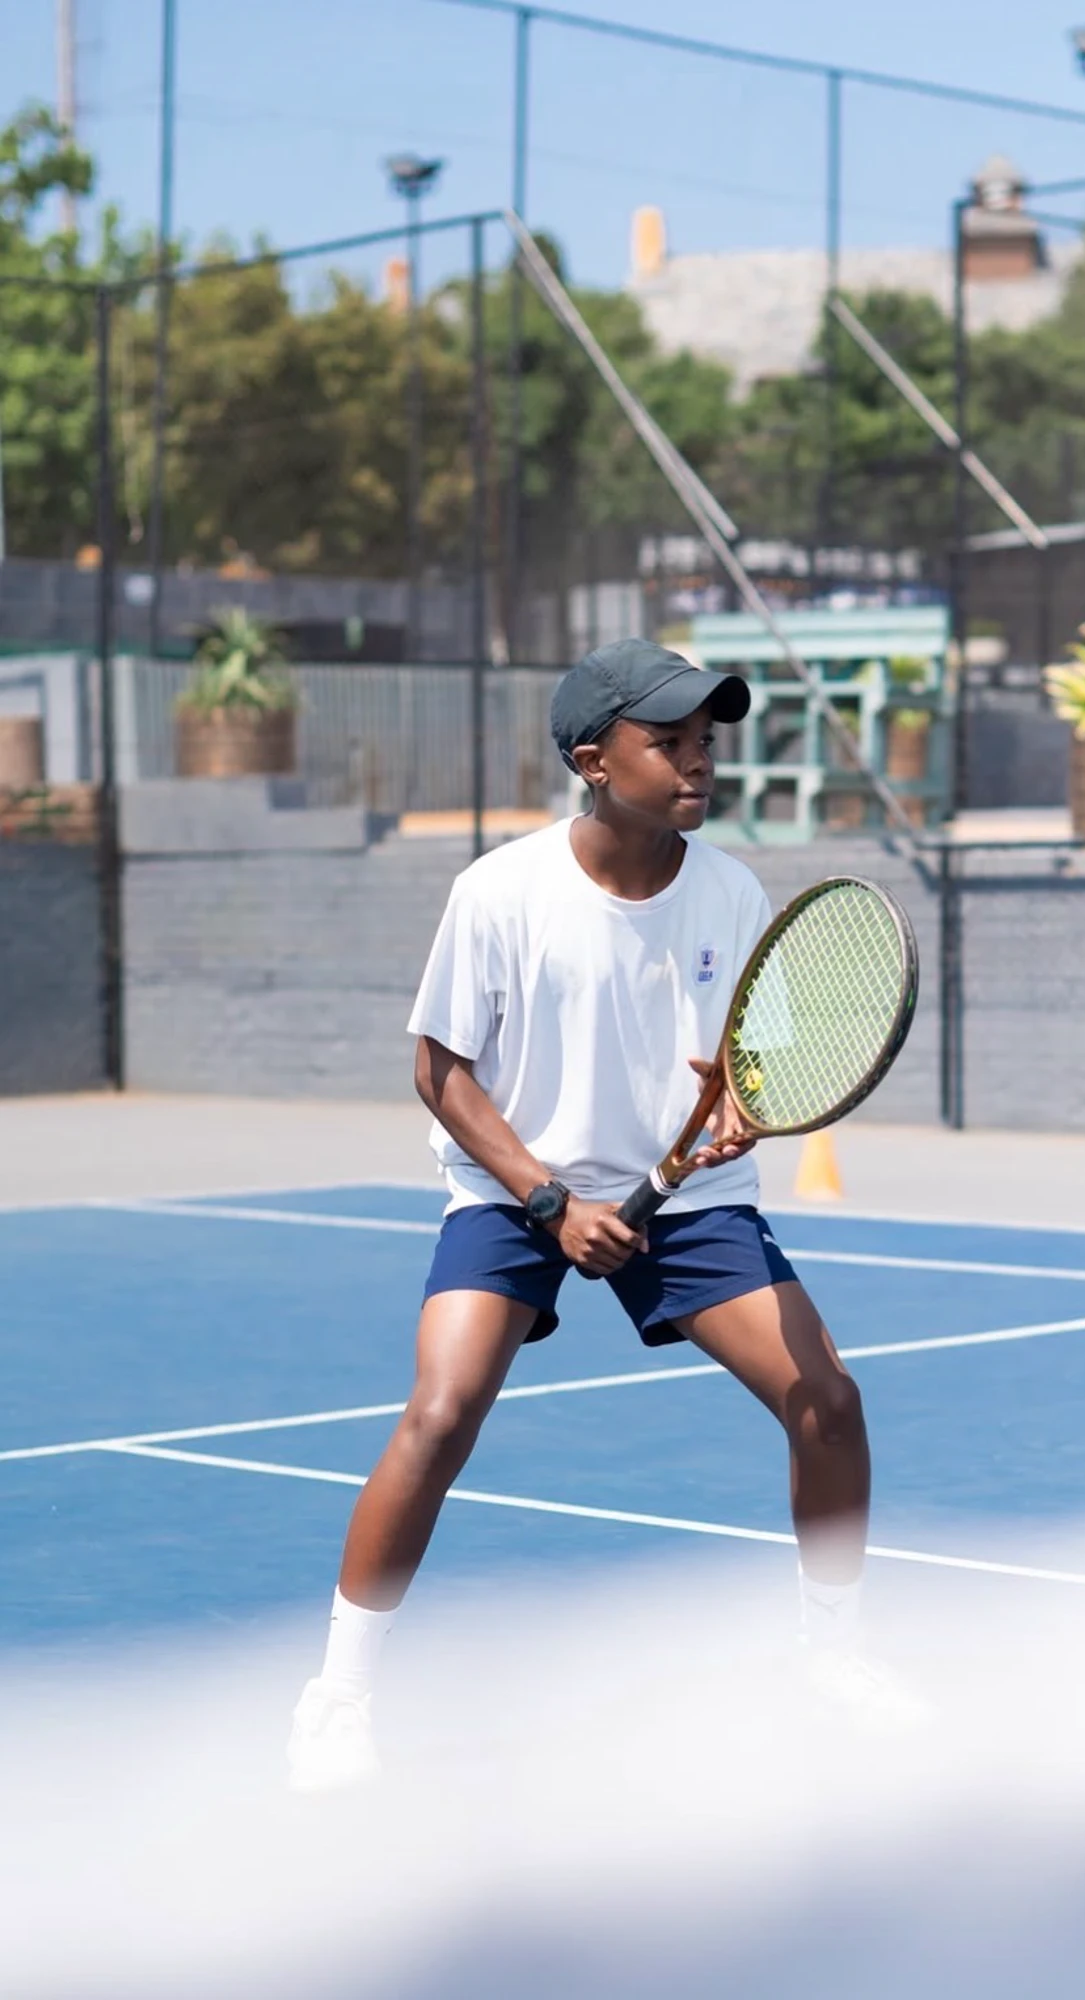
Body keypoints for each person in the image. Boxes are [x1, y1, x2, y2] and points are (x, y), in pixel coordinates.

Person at [287, 638, 909, 1793]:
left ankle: (836, 1654)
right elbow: (442, 1072)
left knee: (828, 1398)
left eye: (706, 741)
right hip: (514, 1187)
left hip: (685, 1199)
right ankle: (337, 1694)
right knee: (439, 1412)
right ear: (593, 759)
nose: (697, 762)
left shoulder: (729, 889)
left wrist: (737, 1110)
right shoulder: (498, 892)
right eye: (667, 741)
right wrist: (546, 1198)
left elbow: (745, 1059)